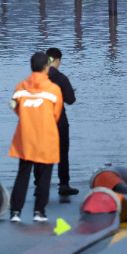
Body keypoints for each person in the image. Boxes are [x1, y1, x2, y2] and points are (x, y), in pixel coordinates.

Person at [8, 52, 63, 223]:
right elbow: (56, 114)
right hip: (46, 138)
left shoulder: (20, 87)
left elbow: (16, 108)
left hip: (26, 136)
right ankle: (39, 211)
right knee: (44, 176)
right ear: (46, 67)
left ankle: (15, 212)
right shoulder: (54, 89)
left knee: (23, 174)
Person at [45, 48, 78, 196]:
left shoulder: (38, 78)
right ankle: (63, 185)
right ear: (58, 60)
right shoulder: (61, 78)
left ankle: (40, 185)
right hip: (59, 122)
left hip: (42, 121)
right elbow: (71, 100)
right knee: (62, 153)